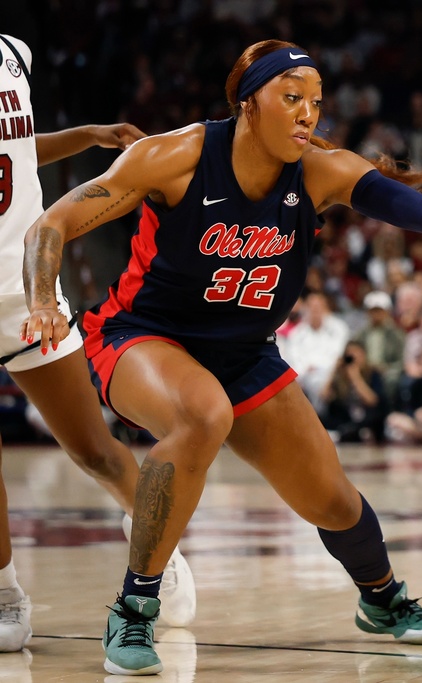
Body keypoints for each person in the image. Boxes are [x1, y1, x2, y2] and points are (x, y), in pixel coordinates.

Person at [19, 40, 422, 674]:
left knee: (332, 500)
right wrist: (43, 300)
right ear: (249, 104)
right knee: (201, 416)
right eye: (291, 98)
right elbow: (49, 226)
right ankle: (134, 610)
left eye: (316, 103)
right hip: (141, 337)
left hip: (244, 352)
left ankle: (381, 599)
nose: (307, 115)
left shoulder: (321, 171)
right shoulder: (174, 157)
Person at [0, 33, 197, 651]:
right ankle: (6, 592)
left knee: (93, 448)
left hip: (23, 285)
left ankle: (157, 550)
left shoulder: (14, 50)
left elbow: (15, 148)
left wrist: (84, 135)